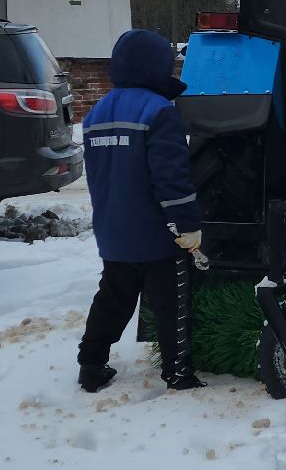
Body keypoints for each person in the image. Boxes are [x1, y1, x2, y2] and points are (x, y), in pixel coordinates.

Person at [76, 28, 206, 392]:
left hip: (112, 229)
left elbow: (102, 175)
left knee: (113, 298)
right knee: (171, 304)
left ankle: (91, 364)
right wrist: (187, 224)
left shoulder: (97, 112)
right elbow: (171, 177)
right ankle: (178, 373)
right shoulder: (159, 111)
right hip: (154, 233)